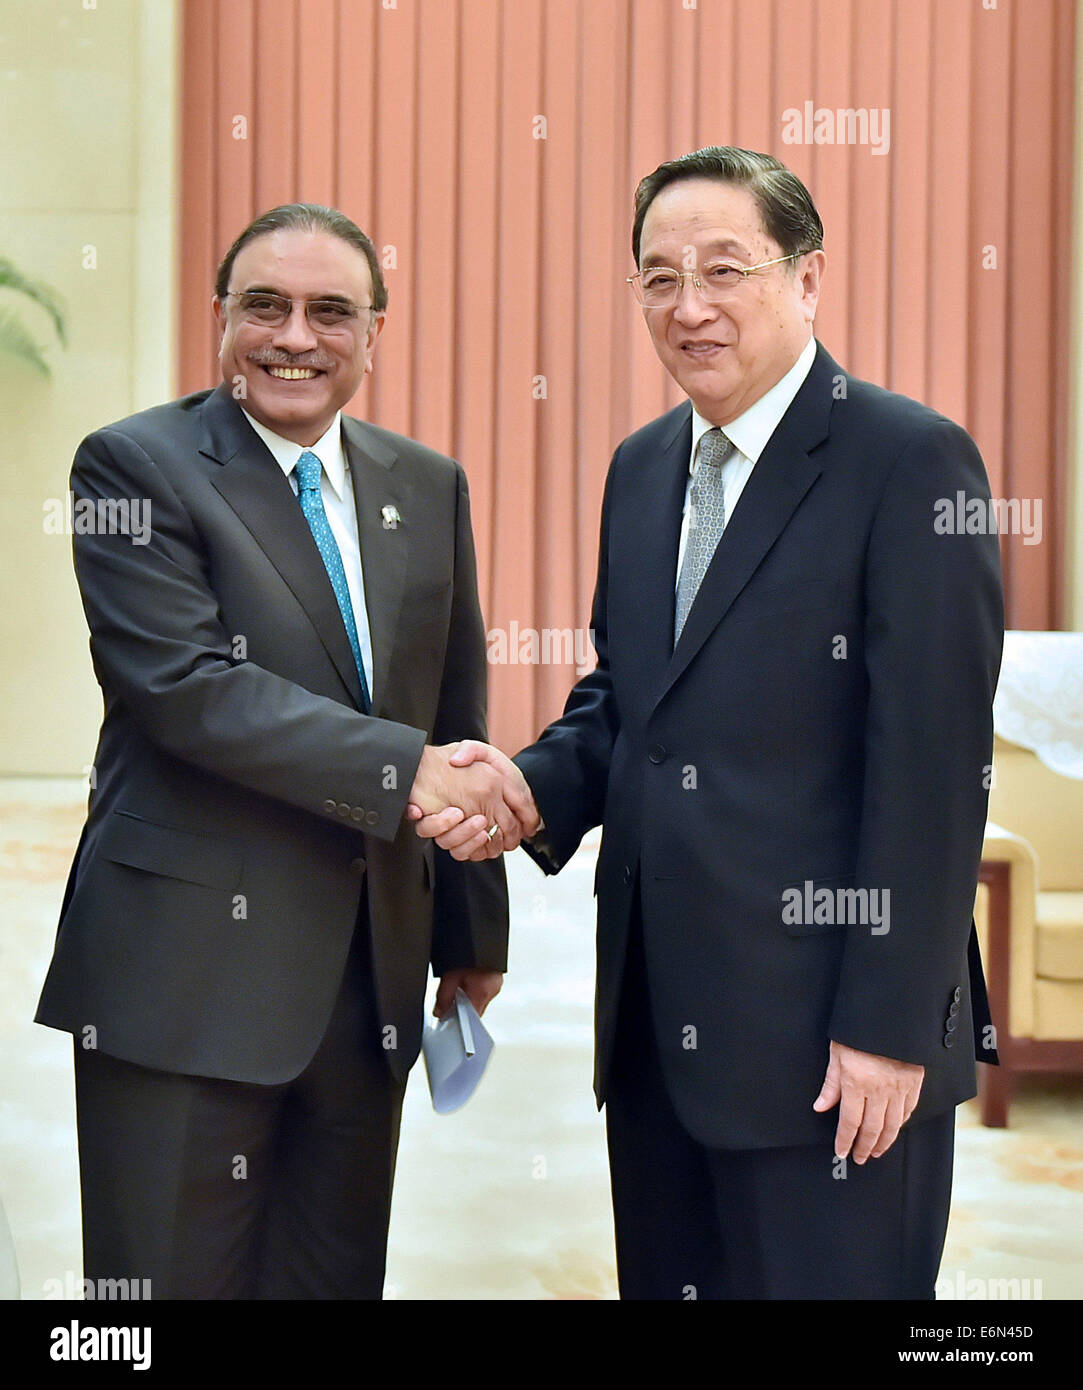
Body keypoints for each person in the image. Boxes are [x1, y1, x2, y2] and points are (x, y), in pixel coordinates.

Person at [412, 148, 1004, 1299]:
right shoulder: (642, 469)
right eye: (658, 277)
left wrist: (887, 1027)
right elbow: (632, 697)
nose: (690, 307)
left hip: (834, 1049)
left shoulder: (909, 460)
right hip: (657, 1030)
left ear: (808, 276)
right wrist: (533, 786)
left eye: (726, 269)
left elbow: (935, 771)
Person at [36, 203, 514, 1299]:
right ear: (222, 321)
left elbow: (455, 706)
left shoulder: (425, 487)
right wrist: (409, 773)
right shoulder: (133, 467)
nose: (296, 336)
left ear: (374, 332)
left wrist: (469, 930)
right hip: (181, 985)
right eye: (266, 305)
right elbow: (187, 691)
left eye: (330, 311)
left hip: (367, 986)